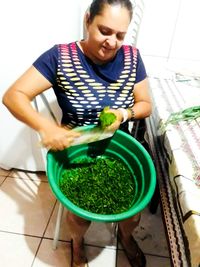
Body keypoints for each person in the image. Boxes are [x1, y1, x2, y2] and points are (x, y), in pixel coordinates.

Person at [2, 0, 152, 266]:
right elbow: (13, 96)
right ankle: (77, 244)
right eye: (104, 31)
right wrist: (47, 127)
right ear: (87, 20)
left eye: (120, 35)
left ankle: (127, 238)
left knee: (133, 213)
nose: (111, 42)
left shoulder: (132, 57)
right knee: (81, 215)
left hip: (118, 145)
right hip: (76, 147)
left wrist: (123, 114)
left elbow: (145, 105)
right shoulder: (60, 57)